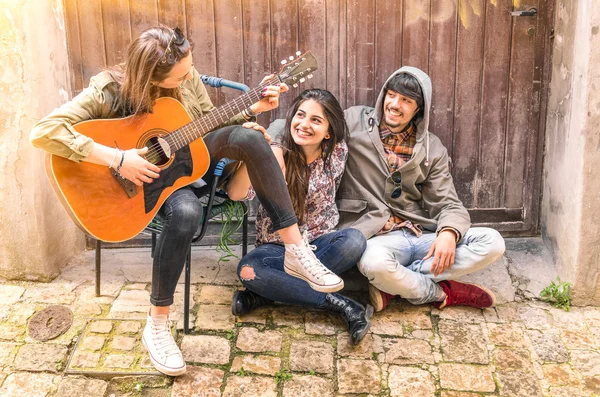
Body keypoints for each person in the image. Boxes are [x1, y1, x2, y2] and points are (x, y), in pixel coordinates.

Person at [30, 26, 343, 376]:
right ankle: (157, 326)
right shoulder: (108, 89)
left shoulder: (186, 73)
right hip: (148, 186)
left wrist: (250, 108)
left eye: (189, 67)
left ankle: (295, 251)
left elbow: (205, 124)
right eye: (180, 74)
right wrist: (118, 159)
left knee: (250, 139)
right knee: (187, 212)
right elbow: (44, 131)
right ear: (152, 76)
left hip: (191, 162)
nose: (189, 75)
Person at [337, 66, 506, 312]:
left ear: (419, 109)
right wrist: (274, 143)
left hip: (420, 235)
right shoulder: (353, 121)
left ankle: (395, 285)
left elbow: (448, 202)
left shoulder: (432, 147)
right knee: (373, 263)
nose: (394, 104)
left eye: (406, 100)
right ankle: (440, 292)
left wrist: (449, 232)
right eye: (391, 95)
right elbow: (303, 121)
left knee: (493, 242)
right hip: (379, 238)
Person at [226, 89, 372, 344]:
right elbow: (236, 193)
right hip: (277, 250)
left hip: (318, 248)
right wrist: (253, 153)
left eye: (316, 120)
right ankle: (343, 305)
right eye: (300, 115)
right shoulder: (274, 156)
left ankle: (264, 295)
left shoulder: (337, 153)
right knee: (249, 269)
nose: (304, 124)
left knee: (355, 240)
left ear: (328, 131)